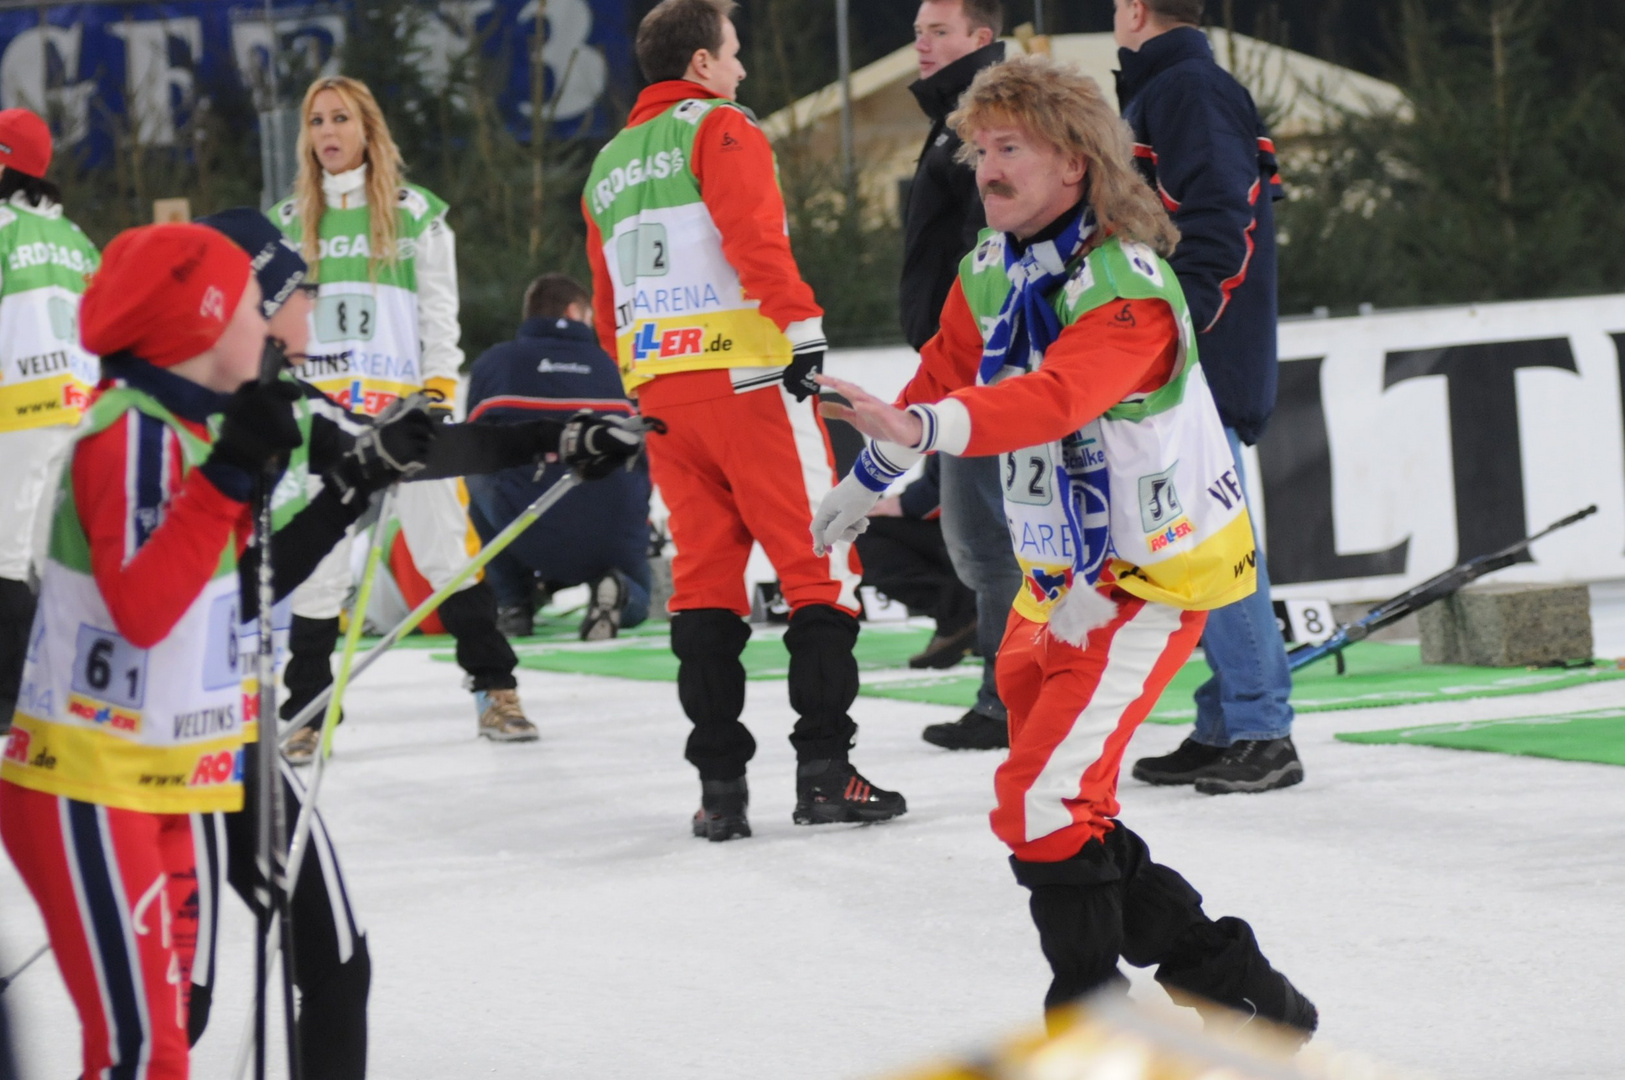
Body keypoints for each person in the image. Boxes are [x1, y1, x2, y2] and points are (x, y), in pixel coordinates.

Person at [812, 55, 1317, 1036]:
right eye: (980, 149)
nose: (986, 169)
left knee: (1037, 802)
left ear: (1075, 165)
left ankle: (1092, 1019)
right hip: (1062, 577)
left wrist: (918, 436)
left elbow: (1053, 397)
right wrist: (867, 478)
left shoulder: (1124, 285)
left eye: (1011, 150)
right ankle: (1240, 991)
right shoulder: (990, 269)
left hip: (1148, 577)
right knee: (1058, 806)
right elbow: (941, 375)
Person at [583, 0, 906, 842]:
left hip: (661, 393)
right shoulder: (720, 126)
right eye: (733, 53)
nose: (742, 70)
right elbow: (753, 235)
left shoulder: (607, 163)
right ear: (698, 63)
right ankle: (827, 774)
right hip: (747, 382)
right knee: (820, 570)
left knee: (703, 585)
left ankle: (719, 791)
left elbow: (608, 302)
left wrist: (637, 386)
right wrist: (802, 328)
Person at [1, 223, 315, 1080]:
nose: (270, 326)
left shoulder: (182, 432)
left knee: (162, 1044)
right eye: (254, 308)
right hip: (88, 783)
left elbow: (214, 591)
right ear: (201, 321)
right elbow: (143, 607)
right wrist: (229, 479)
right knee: (140, 1049)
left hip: (165, 775)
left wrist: (251, 477)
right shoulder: (129, 431)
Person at [270, 74, 537, 747]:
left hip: (403, 420)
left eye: (339, 119)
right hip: (324, 424)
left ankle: (495, 694)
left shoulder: (416, 213)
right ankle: (307, 714)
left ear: (367, 129)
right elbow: (271, 330)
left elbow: (438, 317)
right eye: (315, 121)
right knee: (318, 573)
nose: (326, 132)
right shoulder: (285, 222)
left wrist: (438, 395)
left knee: (446, 554)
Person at [1110, 0, 1302, 795]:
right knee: (1196, 537)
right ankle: (1229, 717)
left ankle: (1261, 727)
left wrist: (1177, 325)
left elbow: (1225, 217)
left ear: (1133, 9)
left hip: (1199, 353)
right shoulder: (1173, 86)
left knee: (1218, 537)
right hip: (1194, 349)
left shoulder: (1186, 87)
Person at [900, 0, 1023, 751]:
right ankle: (1003, 696)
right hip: (962, 361)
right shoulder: (957, 114)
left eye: (936, 32)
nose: (920, 44)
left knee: (994, 544)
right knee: (986, 544)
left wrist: (981, 345)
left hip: (985, 364)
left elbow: (996, 241)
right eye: (916, 31)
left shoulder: (984, 118)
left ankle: (1007, 701)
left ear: (981, 38)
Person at [466, 273, 653, 641]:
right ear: (574, 311)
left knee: (477, 473)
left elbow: (474, 446)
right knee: (639, 601)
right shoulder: (613, 365)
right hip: (613, 522)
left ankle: (513, 604)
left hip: (529, 521)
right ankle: (620, 591)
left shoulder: (496, 363)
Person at [0, 109, 100, 735]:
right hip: (79, 409)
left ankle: (13, 700)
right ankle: (60, 690)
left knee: (6, 557)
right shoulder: (78, 239)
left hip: (17, 409)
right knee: (49, 556)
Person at [854, 455, 979, 667]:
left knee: (860, 534)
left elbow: (951, 485)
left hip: (984, 528)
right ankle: (970, 615)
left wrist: (904, 503)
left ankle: (960, 614)